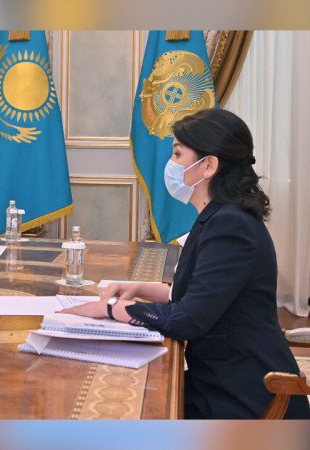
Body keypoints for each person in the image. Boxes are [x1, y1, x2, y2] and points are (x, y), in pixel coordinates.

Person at [63, 108, 310, 419]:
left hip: (247, 397)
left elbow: (188, 319)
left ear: (208, 165)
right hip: (219, 379)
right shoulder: (218, 216)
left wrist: (110, 309)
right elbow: (195, 291)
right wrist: (137, 287)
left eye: (178, 154)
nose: (171, 164)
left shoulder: (231, 225)